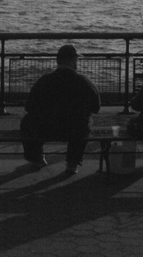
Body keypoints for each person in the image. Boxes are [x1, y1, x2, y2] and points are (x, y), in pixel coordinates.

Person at [20, 44, 101, 175]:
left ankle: (36, 158)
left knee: (27, 121)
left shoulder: (44, 81)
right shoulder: (84, 82)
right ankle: (72, 163)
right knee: (85, 122)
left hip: (46, 129)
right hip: (74, 131)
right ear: (71, 60)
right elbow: (96, 108)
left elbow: (29, 107)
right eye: (76, 60)